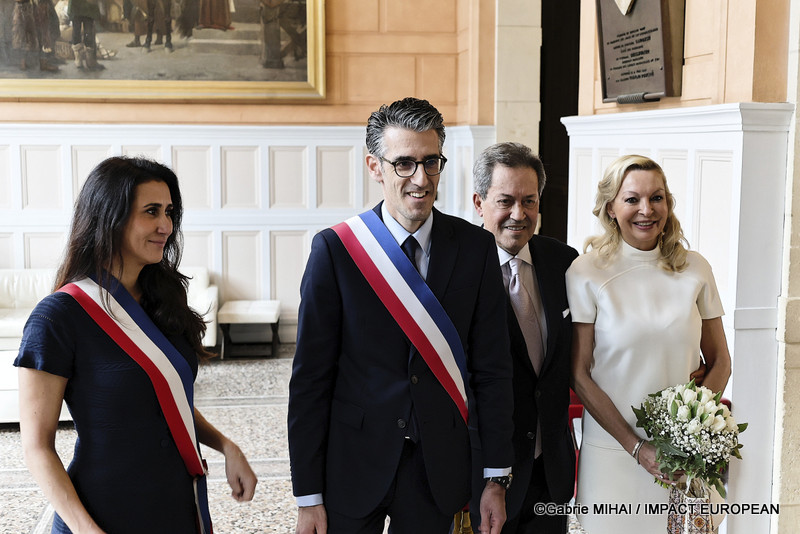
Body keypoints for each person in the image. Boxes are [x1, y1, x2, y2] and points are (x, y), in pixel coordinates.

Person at [288, 97, 515, 534]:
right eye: (404, 164)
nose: (421, 179)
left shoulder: (475, 248)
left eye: (432, 162)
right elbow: (311, 380)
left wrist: (495, 477)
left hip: (438, 466)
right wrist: (308, 496)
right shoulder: (336, 251)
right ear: (375, 167)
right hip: (353, 462)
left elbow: (493, 369)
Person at [15, 156, 257, 534]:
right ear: (110, 218)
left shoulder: (163, 300)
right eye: (151, 212)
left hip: (176, 505)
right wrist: (86, 530)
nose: (166, 226)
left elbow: (167, 400)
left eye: (169, 211)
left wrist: (225, 446)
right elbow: (37, 448)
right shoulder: (58, 317)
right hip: (103, 514)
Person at [566, 154, 732, 533]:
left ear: (668, 204)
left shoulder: (695, 268)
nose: (646, 210)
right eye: (632, 199)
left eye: (657, 198)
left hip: (682, 458)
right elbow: (579, 374)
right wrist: (636, 447)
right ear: (610, 207)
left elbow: (721, 360)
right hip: (613, 453)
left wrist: (690, 434)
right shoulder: (585, 272)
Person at [470, 142, 577, 534]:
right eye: (506, 201)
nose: (519, 214)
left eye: (529, 201)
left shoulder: (565, 262)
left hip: (550, 469)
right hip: (482, 474)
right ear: (479, 203)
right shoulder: (458, 270)